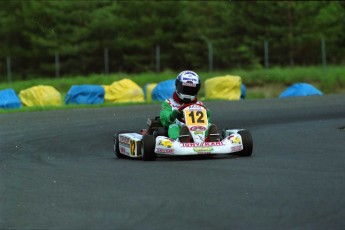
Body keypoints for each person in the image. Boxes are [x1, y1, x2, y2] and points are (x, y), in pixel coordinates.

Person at [159, 70, 219, 143]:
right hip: (179, 128)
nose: (188, 92)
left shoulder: (199, 104)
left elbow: (206, 121)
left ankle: (210, 139)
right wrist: (173, 115)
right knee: (173, 126)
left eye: (191, 90)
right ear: (177, 85)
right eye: (185, 89)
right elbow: (165, 119)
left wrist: (207, 115)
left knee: (209, 125)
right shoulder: (169, 103)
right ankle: (180, 140)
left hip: (198, 129)